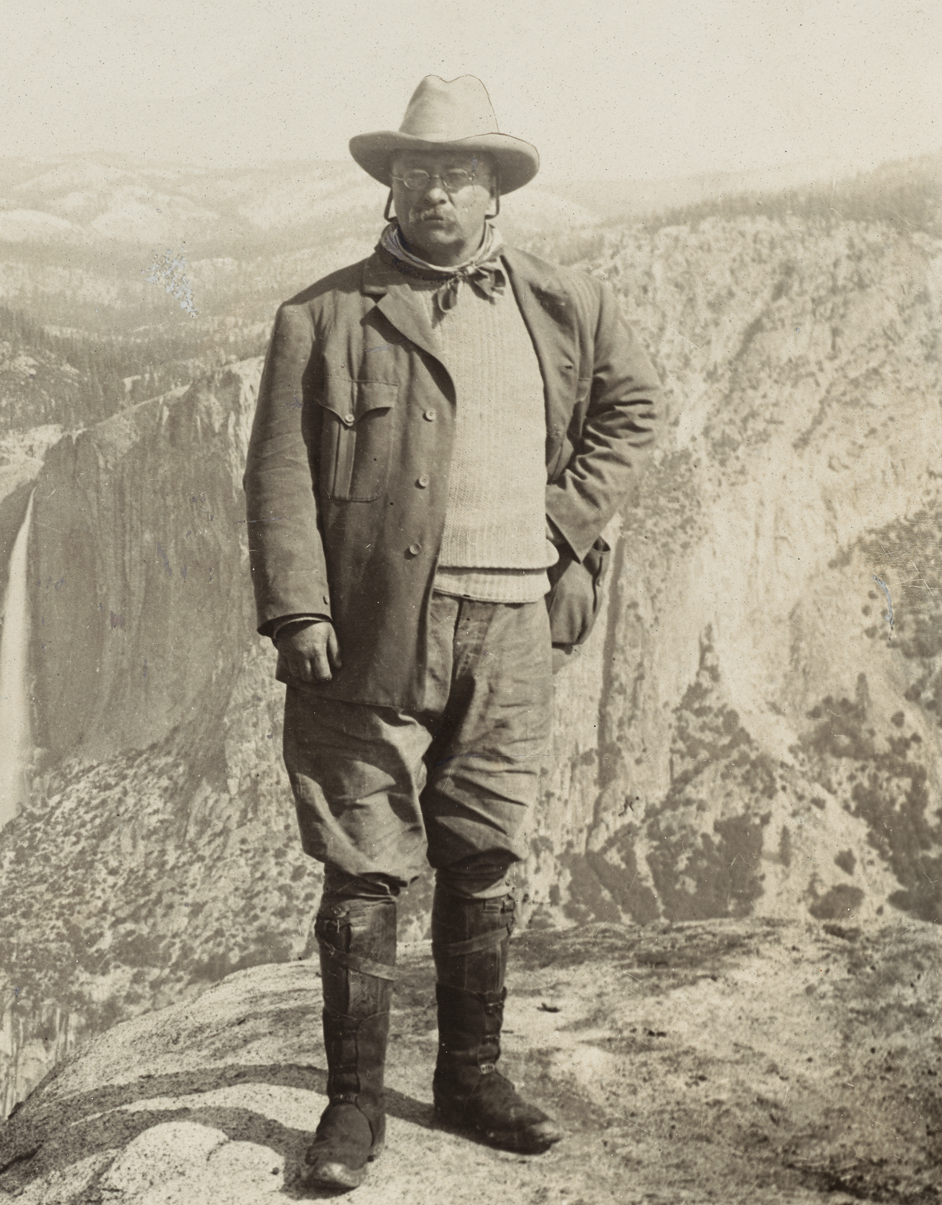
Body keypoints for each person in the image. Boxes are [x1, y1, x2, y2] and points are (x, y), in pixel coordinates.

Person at [242, 74, 661, 1190]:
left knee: (484, 849)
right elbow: (278, 473)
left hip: (514, 621)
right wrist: (298, 607)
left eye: (457, 172)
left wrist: (563, 525)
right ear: (392, 187)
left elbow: (633, 412)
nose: (434, 190)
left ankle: (471, 1076)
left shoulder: (564, 305)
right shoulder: (322, 317)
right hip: (370, 629)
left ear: (493, 191)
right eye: (416, 171)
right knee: (362, 861)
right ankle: (352, 1102)